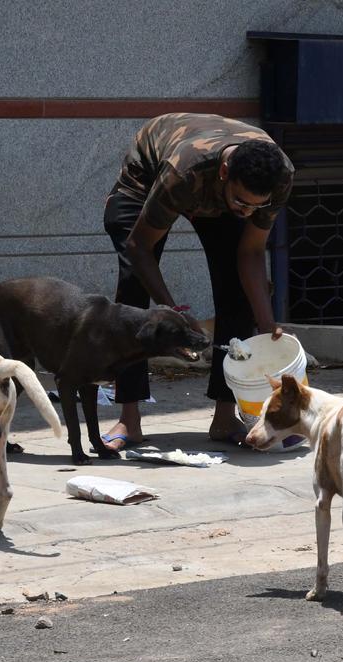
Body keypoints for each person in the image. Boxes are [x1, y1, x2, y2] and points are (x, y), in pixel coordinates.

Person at [100, 112, 294, 451]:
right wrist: (172, 311)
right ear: (225, 173)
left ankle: (225, 417)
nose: (247, 212)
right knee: (133, 288)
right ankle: (129, 418)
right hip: (152, 173)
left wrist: (266, 324)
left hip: (211, 183)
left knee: (239, 295)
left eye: (256, 206)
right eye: (241, 202)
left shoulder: (279, 176)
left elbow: (250, 253)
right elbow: (138, 247)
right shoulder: (183, 173)